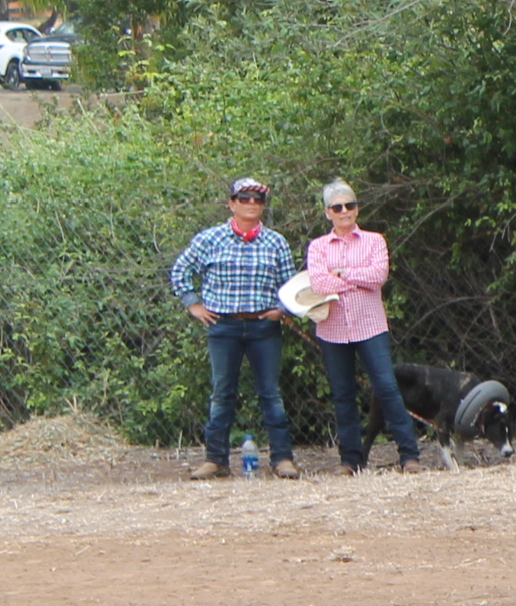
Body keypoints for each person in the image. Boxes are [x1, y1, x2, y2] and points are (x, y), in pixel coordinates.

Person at [171, 176, 302, 479]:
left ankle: (282, 458)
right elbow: (180, 269)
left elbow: (290, 284)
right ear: (232, 204)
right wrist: (193, 304)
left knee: (270, 393)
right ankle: (215, 459)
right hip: (223, 326)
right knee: (222, 393)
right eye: (244, 198)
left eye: (258, 200)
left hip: (263, 328)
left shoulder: (275, 242)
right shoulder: (209, 239)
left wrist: (282, 310)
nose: (251, 204)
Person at [304, 180, 422, 476]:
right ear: (327, 212)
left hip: (370, 327)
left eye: (350, 205)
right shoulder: (318, 246)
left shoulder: (374, 240)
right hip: (333, 330)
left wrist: (342, 273)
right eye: (337, 207)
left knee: (386, 387)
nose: (345, 211)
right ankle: (350, 460)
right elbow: (319, 283)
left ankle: (409, 455)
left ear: (357, 208)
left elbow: (378, 275)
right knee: (342, 393)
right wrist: (357, 280)